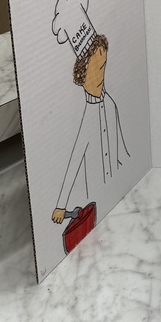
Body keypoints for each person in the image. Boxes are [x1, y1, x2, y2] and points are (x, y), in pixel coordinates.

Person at [51, 33, 130, 226]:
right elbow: (74, 161)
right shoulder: (84, 118)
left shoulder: (110, 104)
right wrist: (61, 206)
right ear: (82, 74)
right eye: (96, 68)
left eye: (103, 66)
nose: (100, 75)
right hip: (96, 200)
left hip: (119, 189)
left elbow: (120, 148)